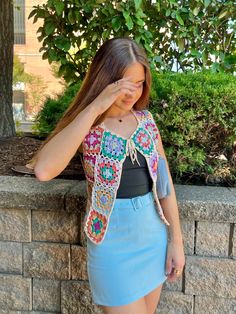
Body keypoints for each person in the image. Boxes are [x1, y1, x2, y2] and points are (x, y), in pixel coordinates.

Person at [28, 37, 185, 314]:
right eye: (124, 85)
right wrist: (96, 106)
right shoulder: (88, 125)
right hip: (111, 243)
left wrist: (177, 242)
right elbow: (44, 170)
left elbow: (164, 184)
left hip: (152, 236)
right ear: (106, 80)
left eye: (139, 84)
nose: (132, 94)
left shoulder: (147, 122)